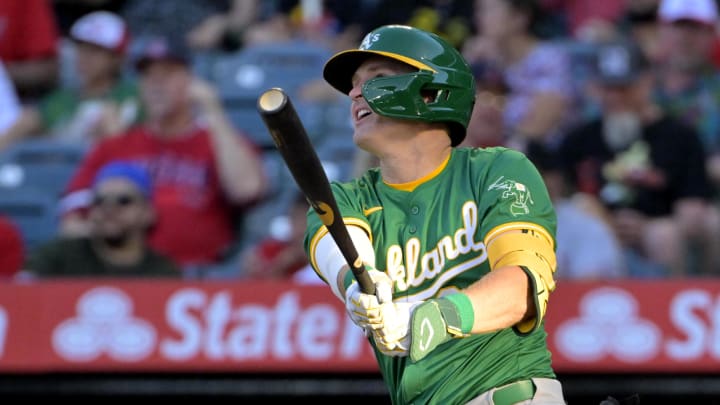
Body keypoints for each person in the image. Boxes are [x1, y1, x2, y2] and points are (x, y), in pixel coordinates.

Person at [304, 24, 565, 404]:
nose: (353, 93)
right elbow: (339, 253)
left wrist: (429, 318)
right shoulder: (346, 199)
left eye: (375, 78)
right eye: (353, 84)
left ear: (430, 92)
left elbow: (523, 288)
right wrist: (358, 285)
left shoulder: (496, 169)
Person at [59, 35, 266, 271]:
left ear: (191, 81)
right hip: (124, 275)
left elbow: (248, 190)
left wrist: (213, 111)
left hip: (198, 276)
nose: (156, 84)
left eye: (167, 75)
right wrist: (114, 234)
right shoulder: (115, 146)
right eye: (148, 76)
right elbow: (71, 223)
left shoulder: (217, 140)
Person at [559, 39, 720, 276]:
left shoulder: (678, 136)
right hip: (595, 238)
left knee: (665, 235)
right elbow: (560, 198)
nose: (614, 97)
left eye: (624, 87)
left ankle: (671, 308)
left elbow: (692, 207)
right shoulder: (579, 139)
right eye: (607, 88)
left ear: (646, 84)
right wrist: (606, 224)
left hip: (656, 234)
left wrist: (646, 226)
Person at [0, 11, 142, 151]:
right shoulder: (62, 98)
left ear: (117, 58)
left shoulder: (136, 94)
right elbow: (31, 125)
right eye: (81, 48)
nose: (85, 57)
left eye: (95, 50)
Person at [20, 161, 179, 279]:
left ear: (148, 213)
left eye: (123, 201)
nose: (109, 209)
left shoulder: (162, 272)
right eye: (99, 201)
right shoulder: (57, 258)